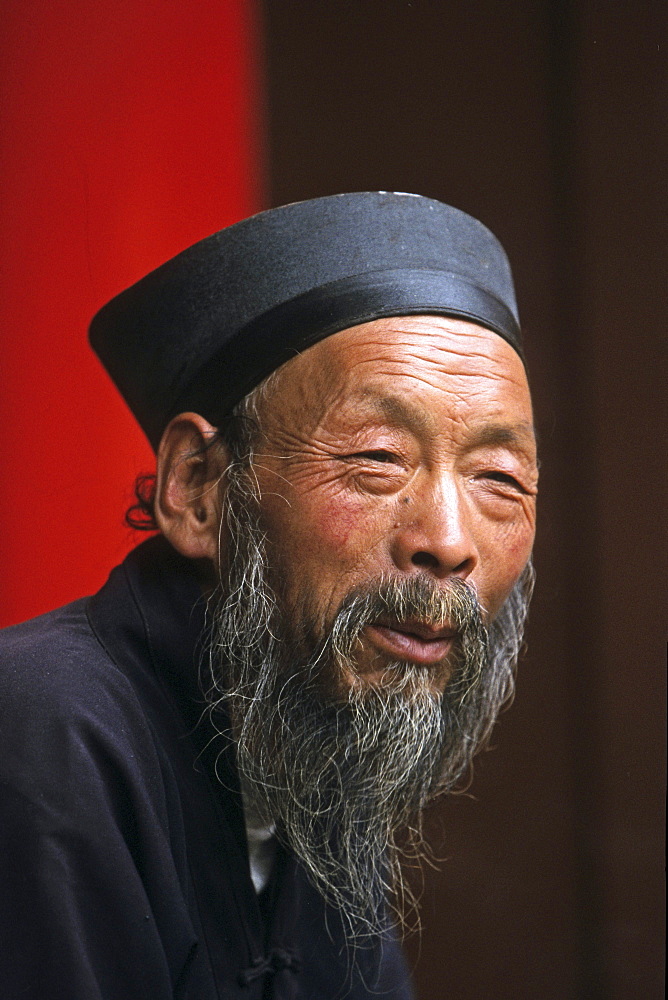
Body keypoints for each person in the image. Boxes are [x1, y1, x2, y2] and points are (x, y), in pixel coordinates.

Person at [0, 192, 538, 999]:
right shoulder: (43, 727)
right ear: (197, 486)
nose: (450, 540)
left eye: (500, 479)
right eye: (378, 459)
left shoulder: (312, 739)